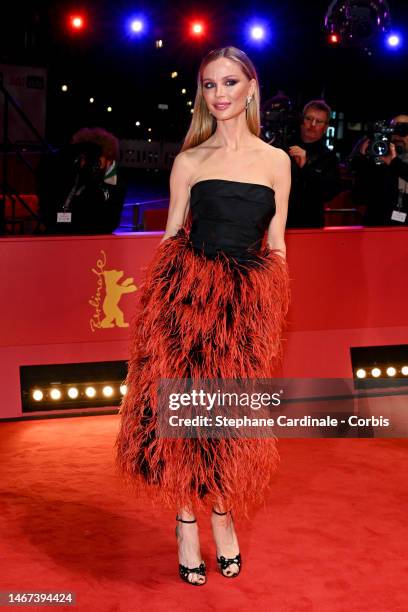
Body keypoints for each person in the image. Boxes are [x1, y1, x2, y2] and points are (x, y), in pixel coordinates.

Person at [115, 47, 291, 586]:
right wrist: (158, 317)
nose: (219, 94)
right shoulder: (190, 161)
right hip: (186, 306)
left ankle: (222, 511)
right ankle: (186, 521)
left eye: (230, 82)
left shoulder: (275, 161)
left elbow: (277, 243)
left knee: (226, 423)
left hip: (244, 309)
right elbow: (171, 237)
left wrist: (266, 304)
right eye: (209, 85)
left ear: (251, 88)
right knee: (182, 420)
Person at [38, 127, 125, 234]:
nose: (84, 161)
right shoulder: (73, 174)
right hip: (62, 236)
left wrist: (93, 179)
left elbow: (108, 221)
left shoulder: (111, 179)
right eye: (82, 156)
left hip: (92, 239)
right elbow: (51, 214)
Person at [286, 100, 341, 228]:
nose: (312, 124)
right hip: (278, 220)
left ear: (326, 127)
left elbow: (328, 193)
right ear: (301, 121)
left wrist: (305, 168)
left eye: (319, 121)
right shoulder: (283, 145)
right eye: (309, 119)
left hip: (309, 223)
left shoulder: (329, 157)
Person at [349, 115, 408, 226]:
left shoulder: (396, 164)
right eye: (393, 131)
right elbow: (358, 198)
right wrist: (363, 163)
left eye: (403, 130)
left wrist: (395, 164)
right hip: (377, 230)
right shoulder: (379, 162)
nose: (397, 136)